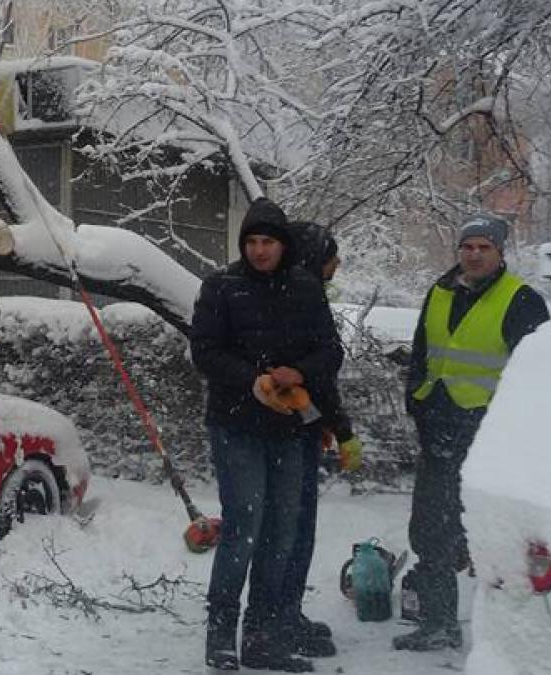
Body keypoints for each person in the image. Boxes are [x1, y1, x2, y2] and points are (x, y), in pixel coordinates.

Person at [192, 198, 344, 672]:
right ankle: (221, 634)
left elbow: (330, 351)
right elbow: (205, 352)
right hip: (236, 426)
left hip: (289, 431)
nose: (260, 250)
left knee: (281, 532)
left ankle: (260, 635)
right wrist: (252, 380)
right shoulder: (221, 286)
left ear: (283, 246)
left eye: (268, 242)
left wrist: (299, 373)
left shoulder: (305, 287)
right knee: (244, 527)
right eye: (252, 242)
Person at [396, 213, 550, 651]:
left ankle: (510, 637)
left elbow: (535, 375)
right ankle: (439, 622)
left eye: (484, 247)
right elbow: (422, 354)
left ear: (500, 252)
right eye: (468, 246)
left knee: (498, 540)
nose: (475, 254)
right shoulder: (440, 292)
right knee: (430, 530)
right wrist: (417, 400)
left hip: (490, 440)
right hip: (439, 429)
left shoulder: (521, 300)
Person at [248, 221, 362, 660]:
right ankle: (274, 620)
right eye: (332, 257)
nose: (338, 265)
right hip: (287, 434)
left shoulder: (297, 294)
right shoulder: (298, 300)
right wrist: (342, 430)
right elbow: (317, 377)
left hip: (296, 429)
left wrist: (327, 423)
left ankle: (285, 614)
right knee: (290, 532)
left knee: (292, 532)